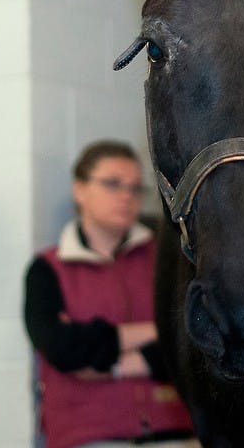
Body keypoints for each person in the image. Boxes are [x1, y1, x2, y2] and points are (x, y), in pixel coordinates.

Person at [23, 140, 194, 448]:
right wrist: (155, 331)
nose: (127, 197)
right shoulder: (47, 269)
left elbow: (189, 341)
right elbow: (62, 347)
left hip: (175, 431)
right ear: (80, 190)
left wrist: (112, 362)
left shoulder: (167, 260)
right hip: (88, 436)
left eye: (135, 188)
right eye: (113, 184)